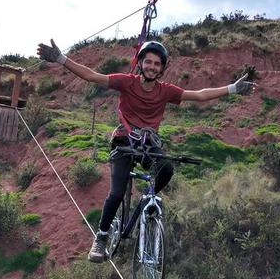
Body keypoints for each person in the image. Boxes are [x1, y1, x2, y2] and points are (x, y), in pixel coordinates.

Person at [37, 39, 256, 262]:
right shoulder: (126, 82)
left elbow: (199, 95)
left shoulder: (166, 91)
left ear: (162, 68)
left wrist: (233, 89)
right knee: (117, 192)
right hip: (124, 141)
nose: (152, 67)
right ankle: (101, 239)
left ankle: (146, 201)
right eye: (148, 62)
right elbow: (93, 76)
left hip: (149, 144)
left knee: (167, 168)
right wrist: (61, 59)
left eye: (157, 64)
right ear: (140, 63)